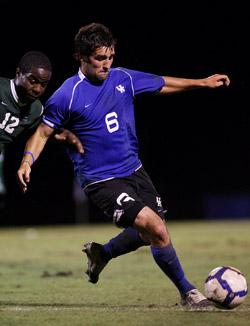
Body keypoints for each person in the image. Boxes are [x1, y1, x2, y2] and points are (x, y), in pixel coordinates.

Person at [17, 23, 230, 310]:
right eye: (99, 58)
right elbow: (42, 133)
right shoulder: (68, 94)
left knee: (152, 233)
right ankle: (189, 293)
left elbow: (161, 82)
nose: (107, 64)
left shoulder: (122, 78)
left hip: (134, 169)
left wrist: (202, 82)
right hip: (100, 180)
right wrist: (27, 161)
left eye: (110, 57)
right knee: (156, 228)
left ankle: (102, 254)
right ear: (81, 57)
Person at [0, 50, 83, 154]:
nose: (37, 89)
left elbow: (42, 133)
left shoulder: (37, 110)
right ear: (18, 73)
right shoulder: (1, 89)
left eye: (43, 84)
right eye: (33, 81)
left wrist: (62, 133)